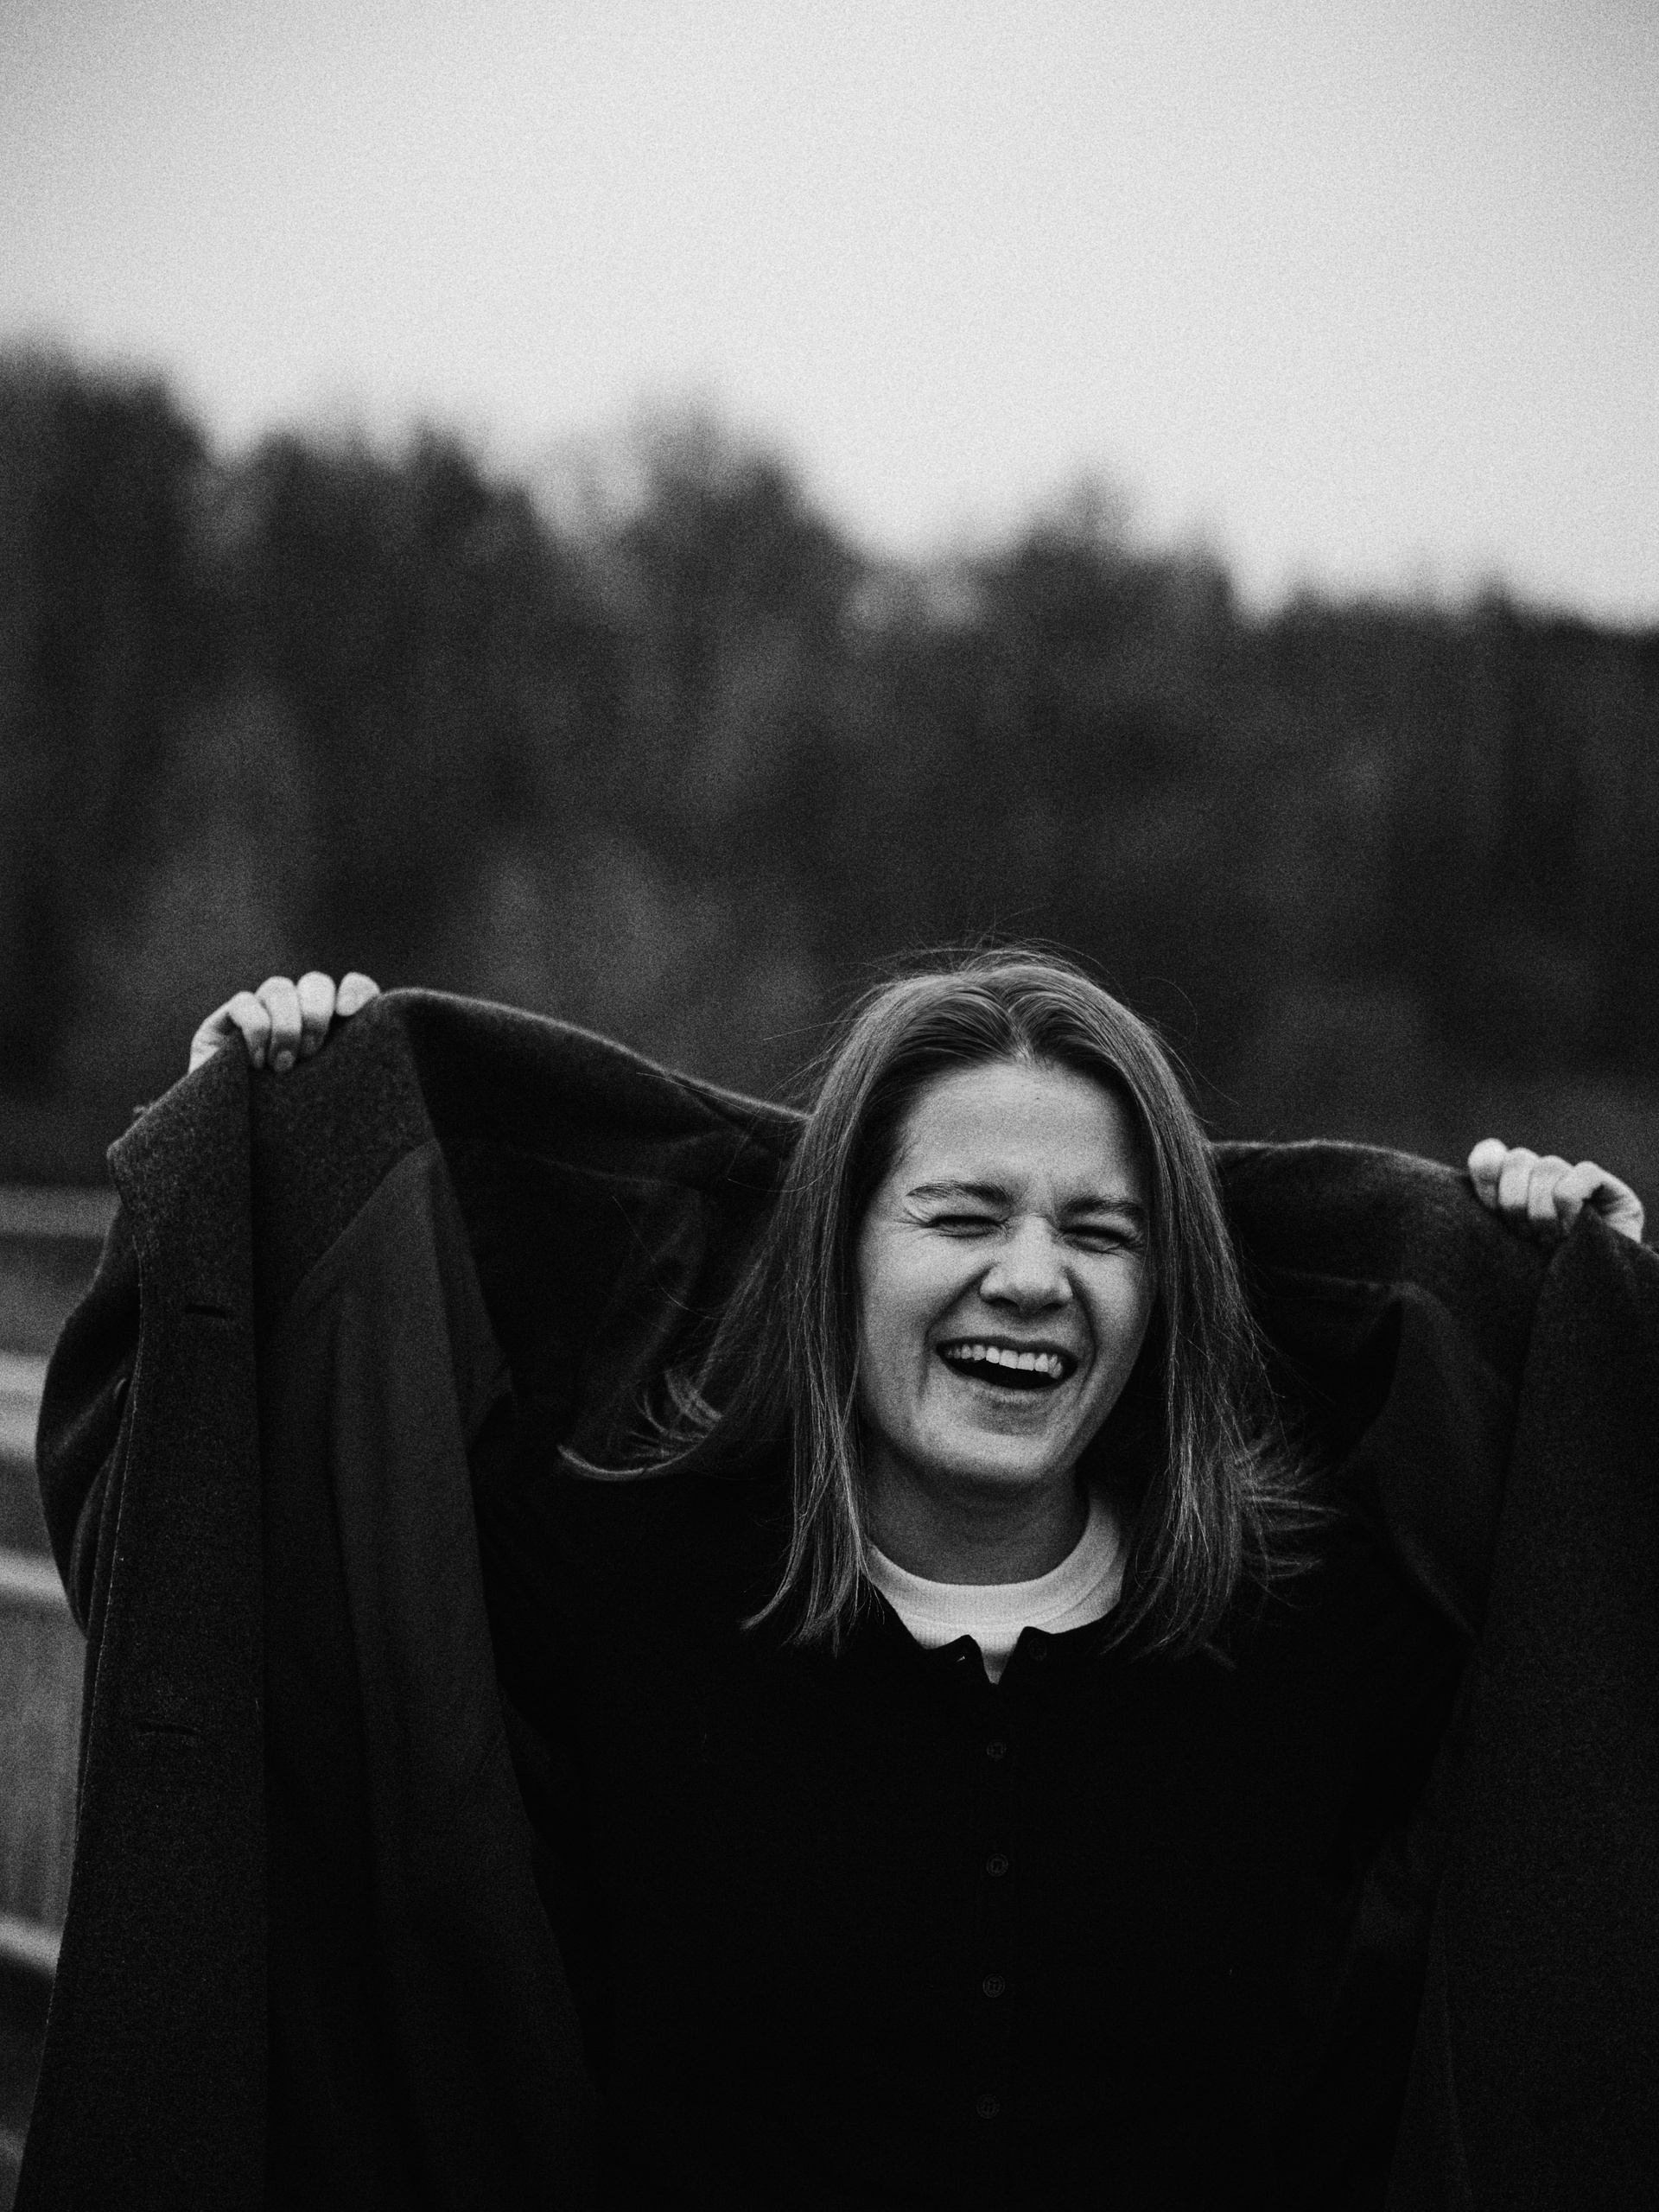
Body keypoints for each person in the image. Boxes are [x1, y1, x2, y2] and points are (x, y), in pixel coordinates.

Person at [156, 956, 1645, 2209]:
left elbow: (1577, 1694)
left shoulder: (1305, 1631)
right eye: (963, 1215)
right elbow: (297, 1557)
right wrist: (270, 1139)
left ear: (1165, 1293)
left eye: (1102, 1233)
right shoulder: (621, 1583)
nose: (1033, 1278)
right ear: (838, 1252)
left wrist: (1595, 1319)